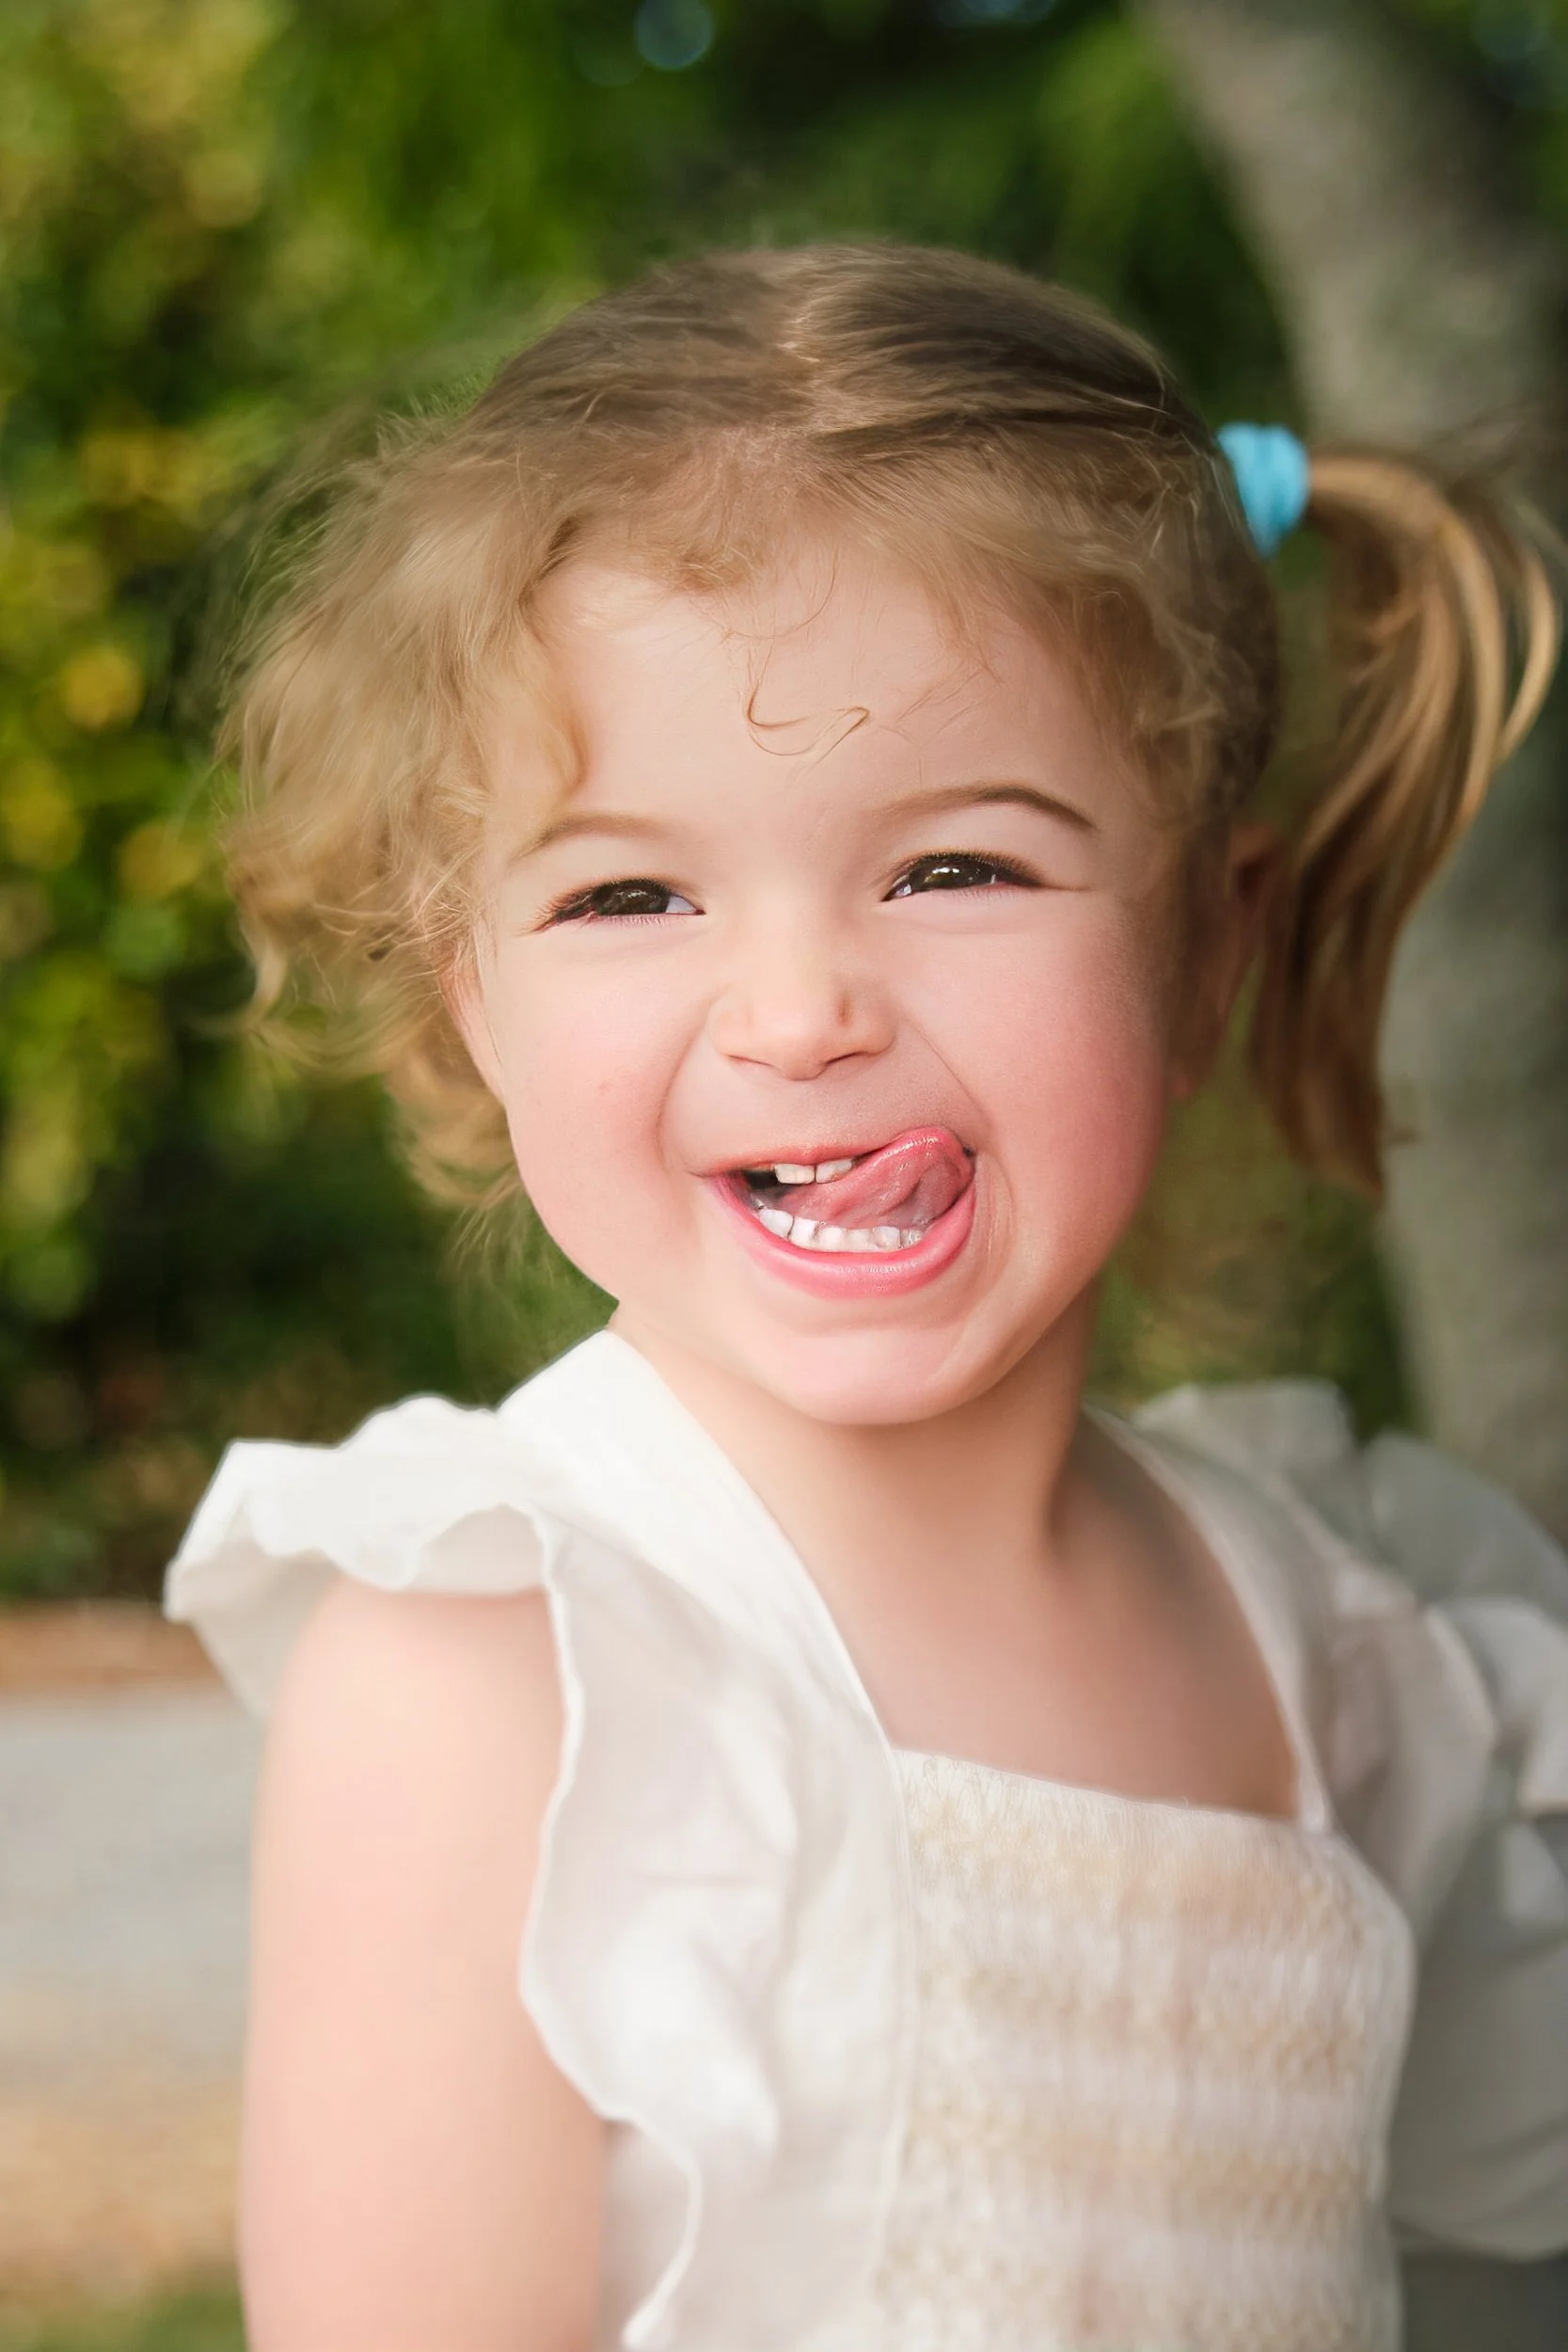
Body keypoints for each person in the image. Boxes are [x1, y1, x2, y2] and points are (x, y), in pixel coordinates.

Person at [165, 246, 1568, 2352]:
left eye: (954, 867)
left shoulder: (1342, 1650)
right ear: (477, 997)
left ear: (1204, 950)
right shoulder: (505, 1671)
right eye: (627, 891)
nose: (802, 1007)